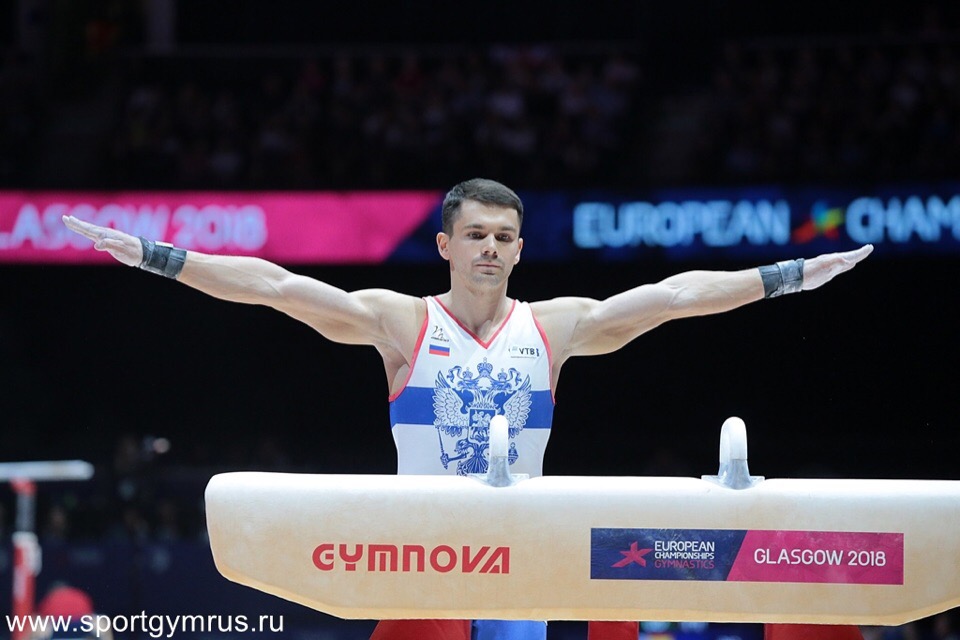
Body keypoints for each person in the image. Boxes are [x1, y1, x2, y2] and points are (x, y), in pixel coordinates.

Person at [63, 178, 873, 640]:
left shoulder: (554, 328)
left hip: (522, 560)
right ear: (446, 245)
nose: (490, 247)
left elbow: (673, 297)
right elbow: (276, 287)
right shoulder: (401, 324)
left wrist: (788, 276)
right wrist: (160, 257)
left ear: (520, 249)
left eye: (505, 236)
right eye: (476, 234)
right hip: (427, 560)